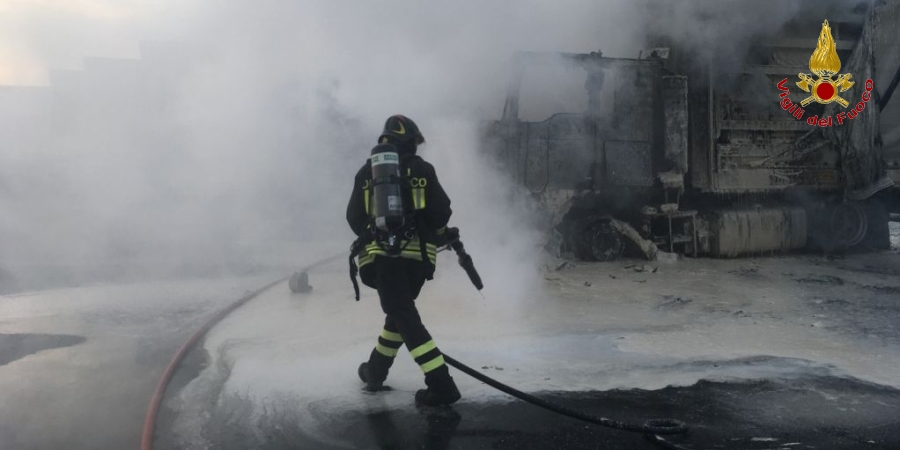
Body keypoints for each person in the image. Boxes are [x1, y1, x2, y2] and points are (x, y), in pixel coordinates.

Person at [346, 114, 461, 406]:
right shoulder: (423, 169)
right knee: (399, 316)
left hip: (383, 260)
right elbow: (441, 212)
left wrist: (376, 233)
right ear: (409, 142)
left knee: (405, 318)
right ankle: (375, 371)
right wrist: (439, 234)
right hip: (418, 262)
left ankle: (442, 385)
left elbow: (354, 217)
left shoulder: (367, 172)